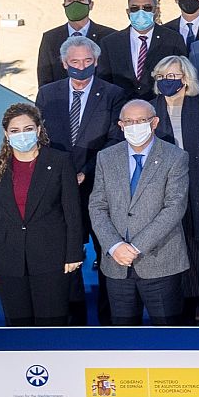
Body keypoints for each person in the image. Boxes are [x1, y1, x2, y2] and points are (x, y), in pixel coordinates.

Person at [36, 36, 127, 324]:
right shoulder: (48, 94)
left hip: (99, 185)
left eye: (87, 61)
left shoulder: (113, 94)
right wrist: (62, 173)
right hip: (59, 186)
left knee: (106, 252)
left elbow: (115, 139)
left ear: (96, 62)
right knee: (66, 252)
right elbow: (42, 138)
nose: (81, 67)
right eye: (74, 62)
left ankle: (109, 320)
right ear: (64, 63)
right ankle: (71, 319)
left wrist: (86, 170)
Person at [0, 104, 83, 326]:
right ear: (6, 133)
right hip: (7, 256)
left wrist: (73, 254)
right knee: (17, 325)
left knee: (52, 324)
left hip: (51, 256)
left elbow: (72, 213)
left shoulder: (59, 161)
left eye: (28, 128)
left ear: (39, 129)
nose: (22, 134)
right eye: (15, 130)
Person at [88, 100, 191, 325]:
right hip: (117, 265)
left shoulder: (175, 157)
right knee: (123, 339)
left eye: (141, 121)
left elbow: (174, 208)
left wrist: (135, 248)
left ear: (154, 123)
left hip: (161, 261)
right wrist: (115, 246)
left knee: (168, 336)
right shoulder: (106, 157)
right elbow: (97, 206)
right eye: (129, 122)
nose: (135, 126)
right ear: (120, 125)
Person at [150, 55, 199, 323]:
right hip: (162, 189)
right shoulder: (150, 108)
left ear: (186, 78)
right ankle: (173, 303)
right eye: (163, 77)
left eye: (174, 76)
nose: (169, 82)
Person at [97, 0, 189, 100]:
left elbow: (182, 77)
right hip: (122, 110)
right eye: (135, 8)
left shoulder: (173, 39)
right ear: (128, 12)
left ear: (156, 10)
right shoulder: (110, 43)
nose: (141, 12)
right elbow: (104, 81)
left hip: (161, 108)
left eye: (147, 8)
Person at [37, 0, 114, 89]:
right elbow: (44, 79)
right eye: (70, 0)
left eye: (80, 0)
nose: (75, 4)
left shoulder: (109, 37)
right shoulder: (50, 39)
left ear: (91, 5)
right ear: (64, 5)